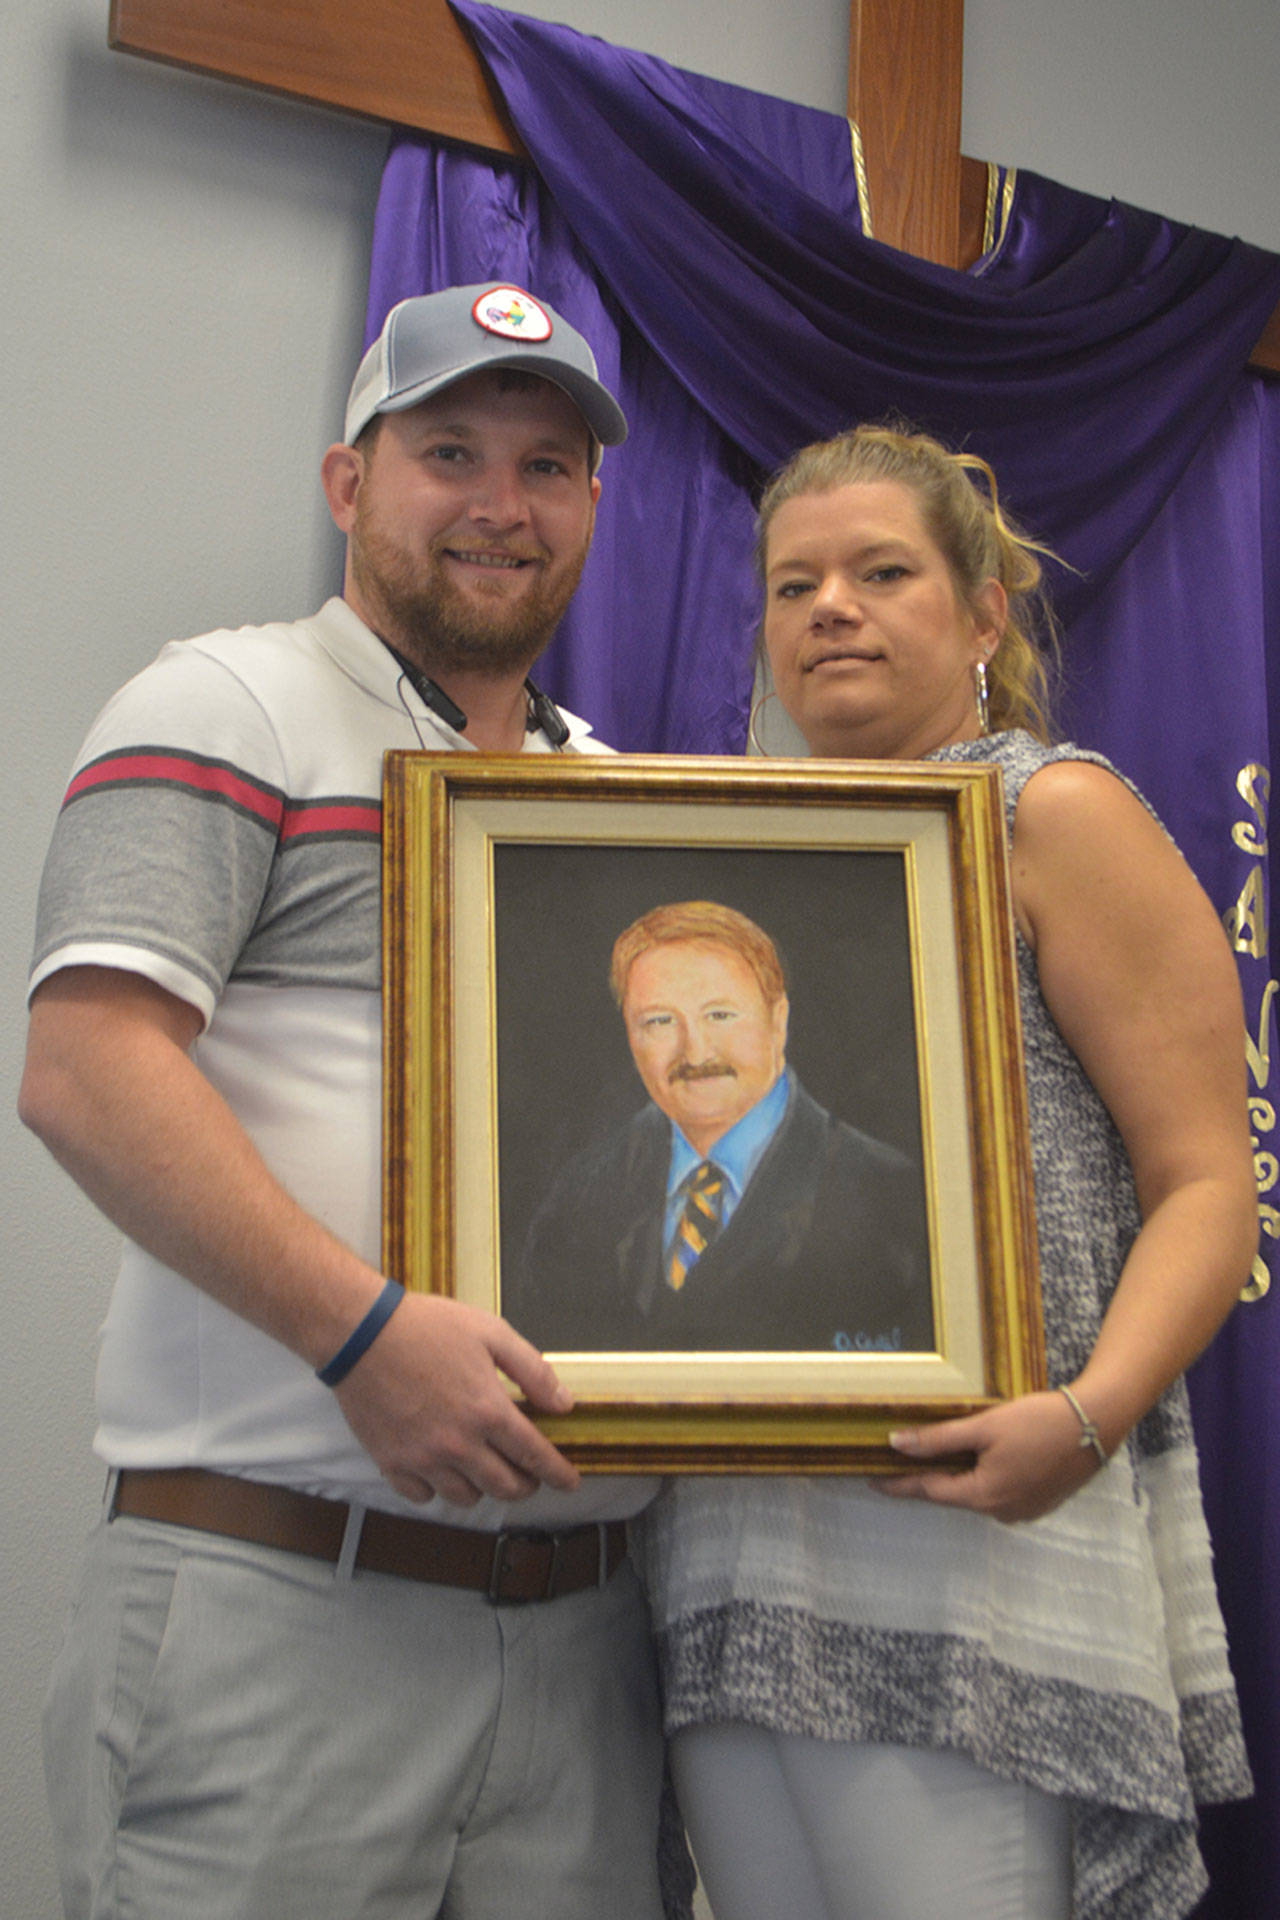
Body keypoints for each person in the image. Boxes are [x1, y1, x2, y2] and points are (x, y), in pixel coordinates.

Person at [20, 283, 677, 1920]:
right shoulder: (226, 704)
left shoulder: (639, 806)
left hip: (594, 1636)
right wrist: (362, 1337)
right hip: (281, 1600)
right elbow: (86, 1067)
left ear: (594, 505)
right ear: (347, 483)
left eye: (545, 465)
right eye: (448, 450)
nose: (498, 505)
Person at [637, 424, 1257, 1920]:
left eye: (880, 572)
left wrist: (1084, 1420)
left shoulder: (1056, 814)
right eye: (795, 586)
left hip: (990, 1541)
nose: (830, 608)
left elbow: (1208, 1183)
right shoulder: (714, 858)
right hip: (735, 1552)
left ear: (984, 614)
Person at [511, 899, 930, 1352]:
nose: (695, 1053)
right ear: (630, 1038)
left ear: (778, 1021)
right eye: (659, 1021)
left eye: (720, 1015)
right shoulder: (580, 1198)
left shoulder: (889, 1198)